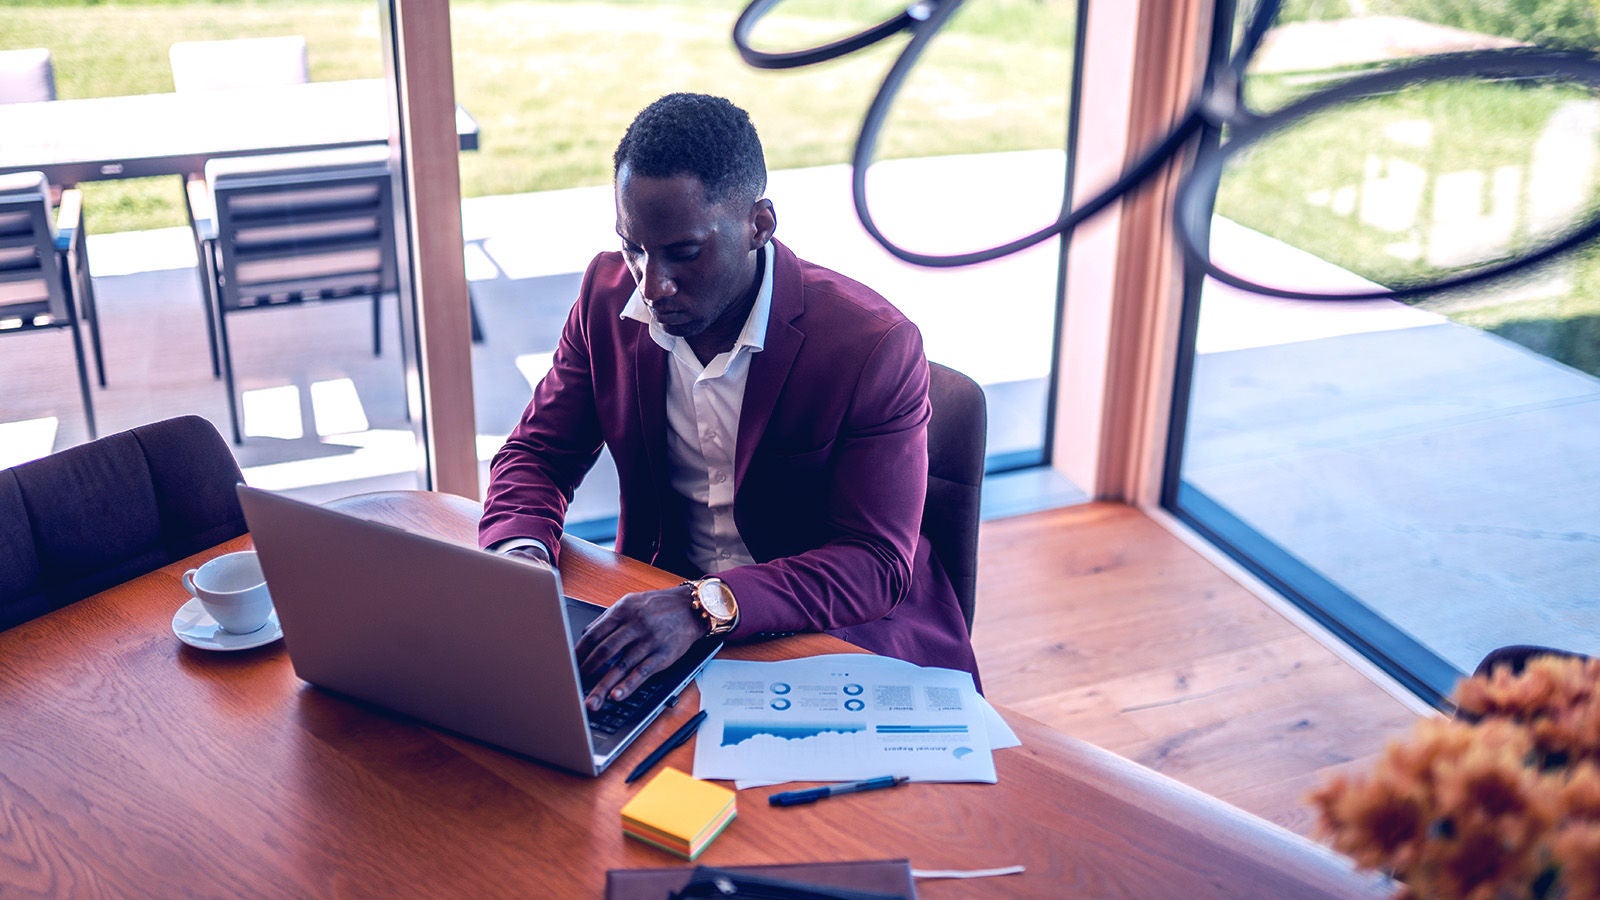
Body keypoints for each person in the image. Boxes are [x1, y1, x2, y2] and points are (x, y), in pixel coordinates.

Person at [480, 92, 979, 711]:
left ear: (759, 225)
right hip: (657, 617)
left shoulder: (873, 345)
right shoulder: (606, 299)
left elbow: (874, 562)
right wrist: (520, 553)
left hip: (828, 634)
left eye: (683, 252)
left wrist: (705, 604)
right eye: (634, 247)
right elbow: (538, 454)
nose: (652, 283)